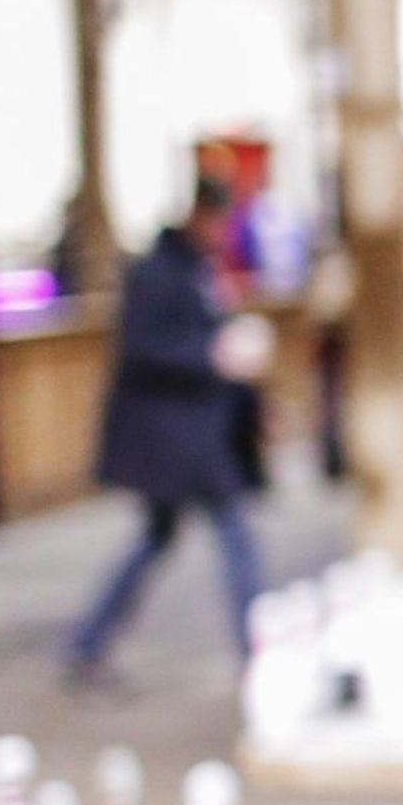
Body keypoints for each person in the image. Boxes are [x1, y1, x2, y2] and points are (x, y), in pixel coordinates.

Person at [63, 186, 272, 687]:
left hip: (195, 433)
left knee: (156, 541)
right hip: (175, 439)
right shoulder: (156, 272)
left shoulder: (200, 269)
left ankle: (87, 642)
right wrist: (211, 353)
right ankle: (259, 650)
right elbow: (142, 347)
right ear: (200, 216)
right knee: (233, 537)